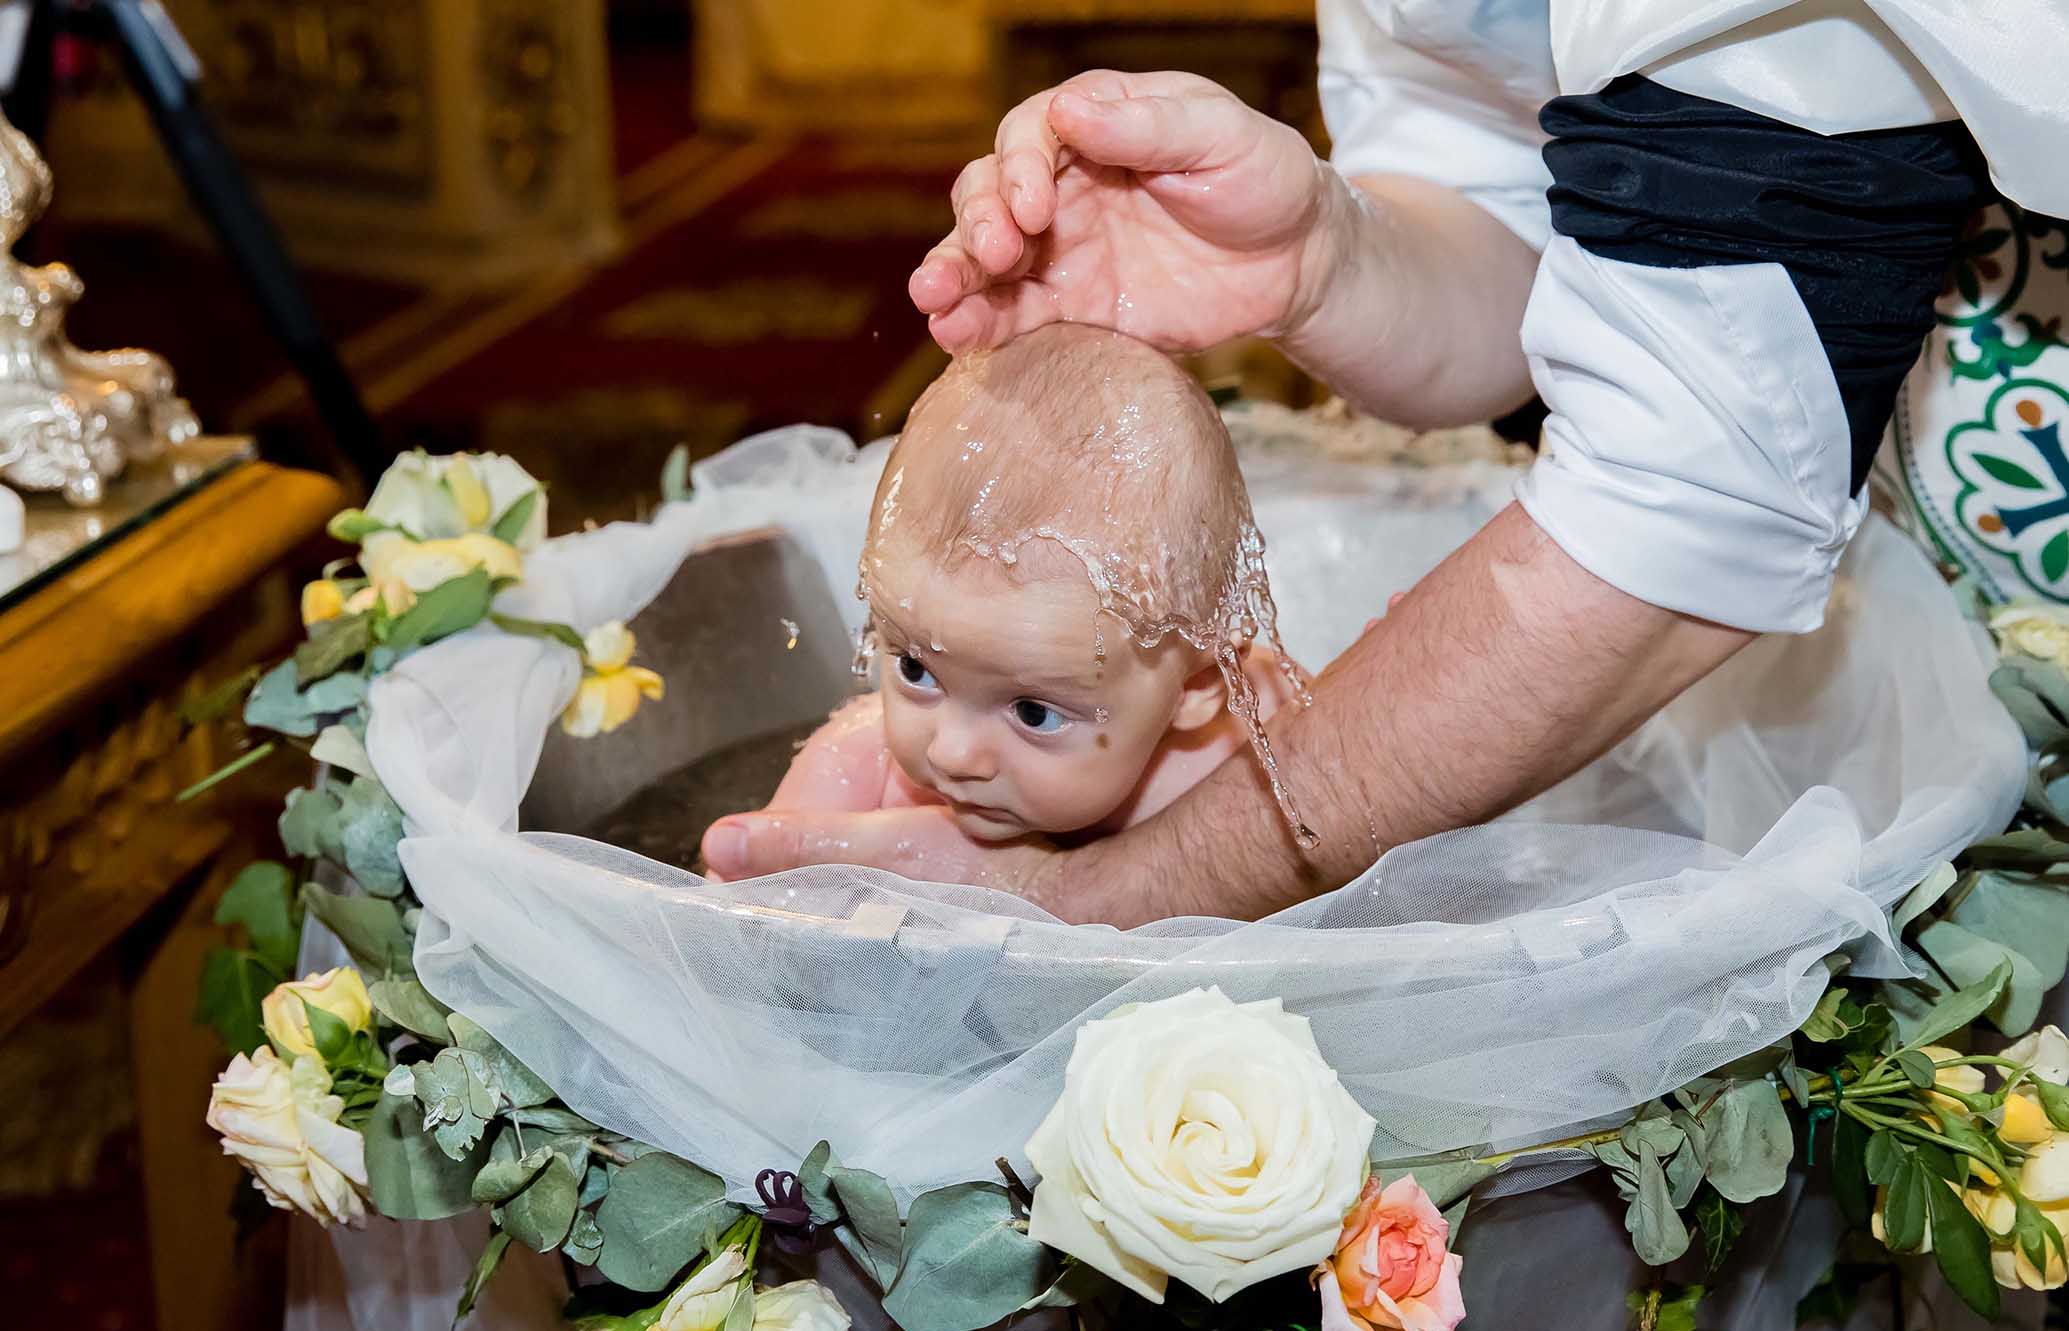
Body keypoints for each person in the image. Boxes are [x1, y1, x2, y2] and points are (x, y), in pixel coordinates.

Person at [700, 0, 2069, 924]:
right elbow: (1538, 214)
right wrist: (1324, 256)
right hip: (1798, 525)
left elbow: (1682, 512)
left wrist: (1085, 904)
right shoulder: (884, 753)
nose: (949, 740)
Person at [708, 321, 1299, 878]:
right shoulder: (855, 778)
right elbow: (745, 944)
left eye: (1033, 712)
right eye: (916, 669)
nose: (954, 753)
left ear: (1195, 688)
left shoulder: (1243, 765)